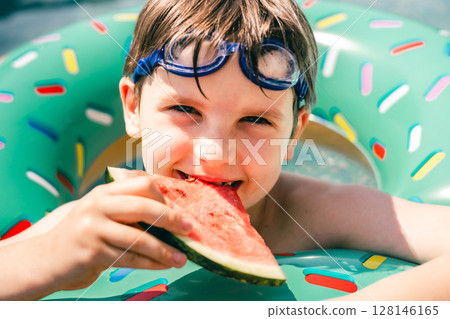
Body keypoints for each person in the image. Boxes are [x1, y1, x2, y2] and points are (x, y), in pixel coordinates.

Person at [1, 0, 449, 301]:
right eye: (184, 109)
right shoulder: (108, 214)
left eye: (256, 120)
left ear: (295, 132)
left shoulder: (326, 210)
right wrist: (51, 254)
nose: (215, 153)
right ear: (133, 108)